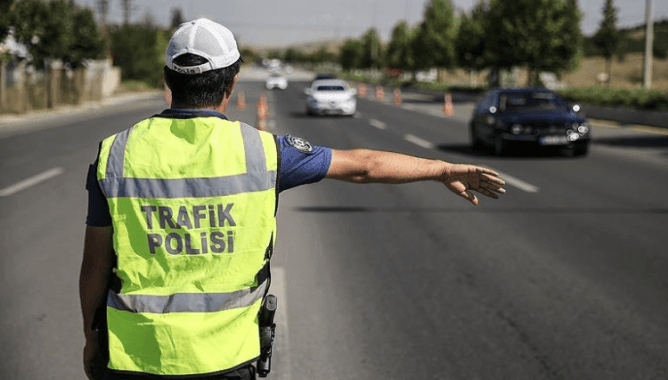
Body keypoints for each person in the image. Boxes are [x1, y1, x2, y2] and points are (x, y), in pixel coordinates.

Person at [79, 18, 506, 380]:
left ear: (168, 79)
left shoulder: (114, 154)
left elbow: (95, 265)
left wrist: (91, 338)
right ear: (232, 81)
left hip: (134, 357)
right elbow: (364, 165)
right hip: (227, 358)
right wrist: (442, 169)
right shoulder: (263, 151)